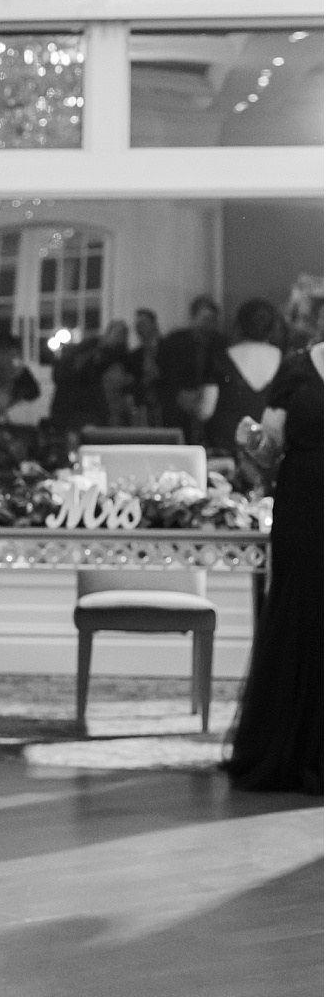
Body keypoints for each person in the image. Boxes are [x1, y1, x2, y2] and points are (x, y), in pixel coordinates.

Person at [225, 318, 323, 794]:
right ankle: (288, 750)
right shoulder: (299, 369)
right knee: (300, 616)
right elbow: (270, 448)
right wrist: (251, 441)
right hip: (305, 504)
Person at [206, 298, 282, 455]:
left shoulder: (220, 359)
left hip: (226, 449)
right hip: (267, 450)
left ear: (239, 325)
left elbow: (205, 409)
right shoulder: (288, 362)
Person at [158, 294, 228, 446]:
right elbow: (166, 372)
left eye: (211, 318)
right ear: (194, 317)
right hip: (179, 401)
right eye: (204, 317)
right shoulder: (175, 340)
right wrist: (180, 394)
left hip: (212, 404)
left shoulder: (222, 343)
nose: (208, 323)